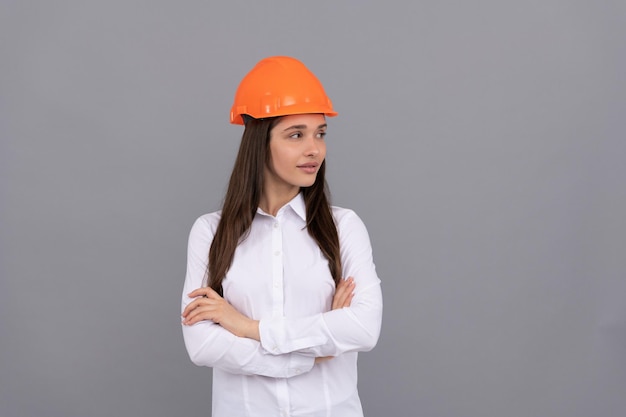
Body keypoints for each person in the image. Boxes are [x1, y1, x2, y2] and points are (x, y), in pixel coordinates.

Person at [181, 56, 383, 417]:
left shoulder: (344, 227)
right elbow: (203, 345)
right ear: (260, 141)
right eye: (296, 135)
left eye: (320, 133)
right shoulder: (210, 232)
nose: (314, 149)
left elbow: (363, 329)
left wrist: (245, 327)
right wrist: (315, 352)